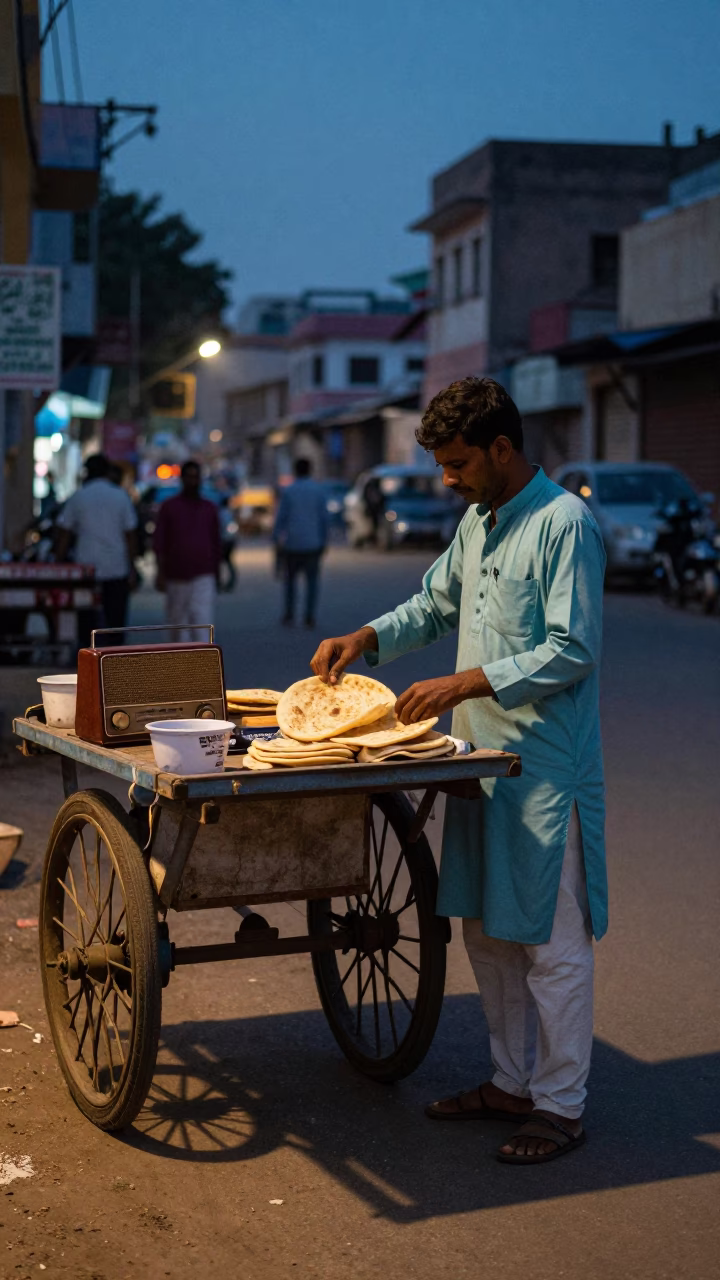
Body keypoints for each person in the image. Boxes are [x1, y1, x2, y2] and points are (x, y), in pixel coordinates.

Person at [311, 377, 607, 1165]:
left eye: (457, 463)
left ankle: (561, 1105)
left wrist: (464, 681)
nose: (448, 478)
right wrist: (366, 637)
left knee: (550, 941)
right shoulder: (479, 524)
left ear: (502, 449)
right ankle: (510, 1082)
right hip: (474, 760)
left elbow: (573, 648)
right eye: (442, 464)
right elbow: (434, 605)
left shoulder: (563, 523)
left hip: (542, 768)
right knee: (485, 929)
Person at [56, 452, 138, 639]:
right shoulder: (120, 496)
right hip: (116, 568)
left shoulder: (78, 497)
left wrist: (58, 564)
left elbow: (64, 533)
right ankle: (115, 659)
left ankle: (88, 661)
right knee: (115, 622)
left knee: (86, 622)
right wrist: (132, 567)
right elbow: (130, 535)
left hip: (86, 569)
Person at [153, 460, 221, 637]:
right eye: (189, 477)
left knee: (201, 623)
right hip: (176, 575)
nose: (193, 481)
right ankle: (183, 663)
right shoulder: (169, 507)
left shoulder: (209, 508)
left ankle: (202, 663)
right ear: (182, 479)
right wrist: (160, 572)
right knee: (177, 625)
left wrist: (217, 572)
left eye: (196, 477)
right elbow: (159, 542)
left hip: (203, 574)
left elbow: (216, 542)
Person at [273, 457, 329, 628]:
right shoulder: (318, 491)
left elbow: (281, 517)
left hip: (293, 544)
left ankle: (289, 614)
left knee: (290, 582)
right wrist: (324, 540)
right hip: (313, 543)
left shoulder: (289, 491)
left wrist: (276, 539)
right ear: (310, 470)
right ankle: (309, 616)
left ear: (295, 471)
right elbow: (324, 519)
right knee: (312, 582)